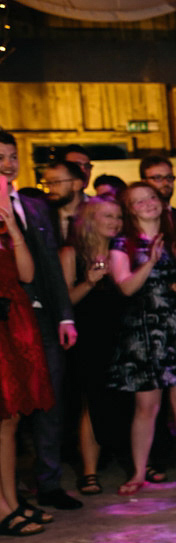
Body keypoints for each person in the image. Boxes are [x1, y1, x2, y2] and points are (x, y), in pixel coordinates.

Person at [107, 183, 176, 494]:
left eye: (151, 197)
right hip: (142, 331)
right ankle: (138, 472)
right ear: (130, 209)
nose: (148, 203)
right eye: (139, 201)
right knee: (146, 407)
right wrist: (150, 260)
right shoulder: (121, 242)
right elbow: (125, 287)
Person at [1, 130, 81, 512]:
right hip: (6, 320)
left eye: (13, 156)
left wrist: (65, 316)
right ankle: (10, 492)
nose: (8, 163)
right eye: (0, 156)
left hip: (43, 318)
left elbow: (49, 266)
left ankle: (48, 483)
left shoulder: (34, 206)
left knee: (50, 402)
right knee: (8, 410)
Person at [61, 197, 128, 495]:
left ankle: (135, 462)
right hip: (89, 335)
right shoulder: (70, 253)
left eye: (118, 216)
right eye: (109, 216)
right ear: (90, 219)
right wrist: (88, 282)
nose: (116, 222)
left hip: (122, 332)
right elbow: (64, 305)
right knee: (93, 400)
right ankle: (89, 472)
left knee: (124, 399)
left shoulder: (121, 252)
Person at [0, 187, 56, 535]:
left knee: (10, 420)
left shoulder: (5, 230)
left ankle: (11, 500)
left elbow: (27, 275)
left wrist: (14, 231)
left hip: (12, 323)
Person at [40, 160, 88, 246]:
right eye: (48, 183)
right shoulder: (42, 216)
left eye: (56, 182)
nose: (50, 188)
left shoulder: (98, 211)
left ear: (76, 184)